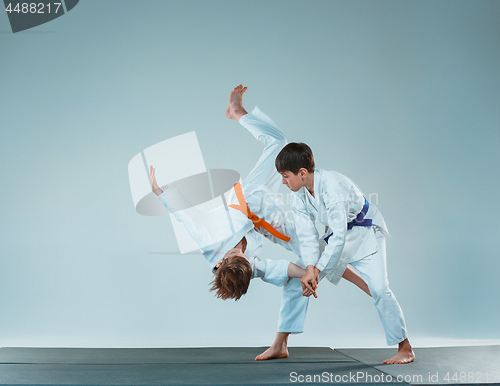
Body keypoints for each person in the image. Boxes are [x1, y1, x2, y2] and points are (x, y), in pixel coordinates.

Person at [149, 85, 371, 357]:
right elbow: (286, 268)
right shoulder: (247, 268)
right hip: (258, 213)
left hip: (248, 200)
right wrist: (308, 276)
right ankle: (281, 344)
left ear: (220, 261)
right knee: (305, 265)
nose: (241, 253)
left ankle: (237, 113)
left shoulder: (207, 239)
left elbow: (184, 214)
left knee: (280, 145)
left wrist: (160, 191)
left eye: (236, 254)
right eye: (245, 259)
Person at [274, 141, 415, 364]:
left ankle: (405, 347)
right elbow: (308, 235)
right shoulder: (299, 194)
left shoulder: (332, 186)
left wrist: (318, 271)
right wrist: (310, 269)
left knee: (380, 289)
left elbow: (339, 235)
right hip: (336, 236)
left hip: (365, 233)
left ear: (302, 173)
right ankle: (280, 344)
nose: (282, 181)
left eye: (285, 175)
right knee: (298, 275)